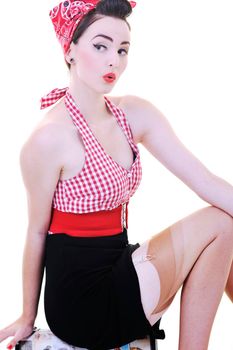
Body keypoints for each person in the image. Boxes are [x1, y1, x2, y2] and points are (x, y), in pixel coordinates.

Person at [0, 0, 233, 349]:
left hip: (121, 265)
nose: (114, 60)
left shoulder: (133, 114)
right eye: (100, 45)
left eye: (123, 49)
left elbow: (203, 180)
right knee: (222, 225)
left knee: (225, 225)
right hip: (82, 302)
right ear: (70, 50)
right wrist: (26, 316)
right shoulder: (49, 138)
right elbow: (36, 231)